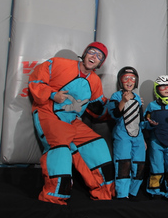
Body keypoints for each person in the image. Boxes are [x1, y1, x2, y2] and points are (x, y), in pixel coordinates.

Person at [28, 42, 115, 205]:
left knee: (97, 144)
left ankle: (103, 193)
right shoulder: (58, 64)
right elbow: (36, 81)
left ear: (100, 63)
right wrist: (53, 95)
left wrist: (117, 108)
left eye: (99, 56)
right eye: (92, 52)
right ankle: (54, 198)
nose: (94, 57)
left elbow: (97, 108)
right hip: (48, 113)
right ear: (85, 53)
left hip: (72, 121)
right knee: (60, 147)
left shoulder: (95, 81)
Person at [105, 66, 147, 199]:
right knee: (123, 165)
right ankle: (122, 195)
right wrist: (123, 101)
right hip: (122, 136)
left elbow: (140, 120)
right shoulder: (116, 96)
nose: (129, 81)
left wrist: (144, 138)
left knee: (139, 165)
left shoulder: (138, 98)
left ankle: (133, 193)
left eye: (132, 78)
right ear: (120, 81)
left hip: (138, 136)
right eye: (126, 78)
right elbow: (114, 115)